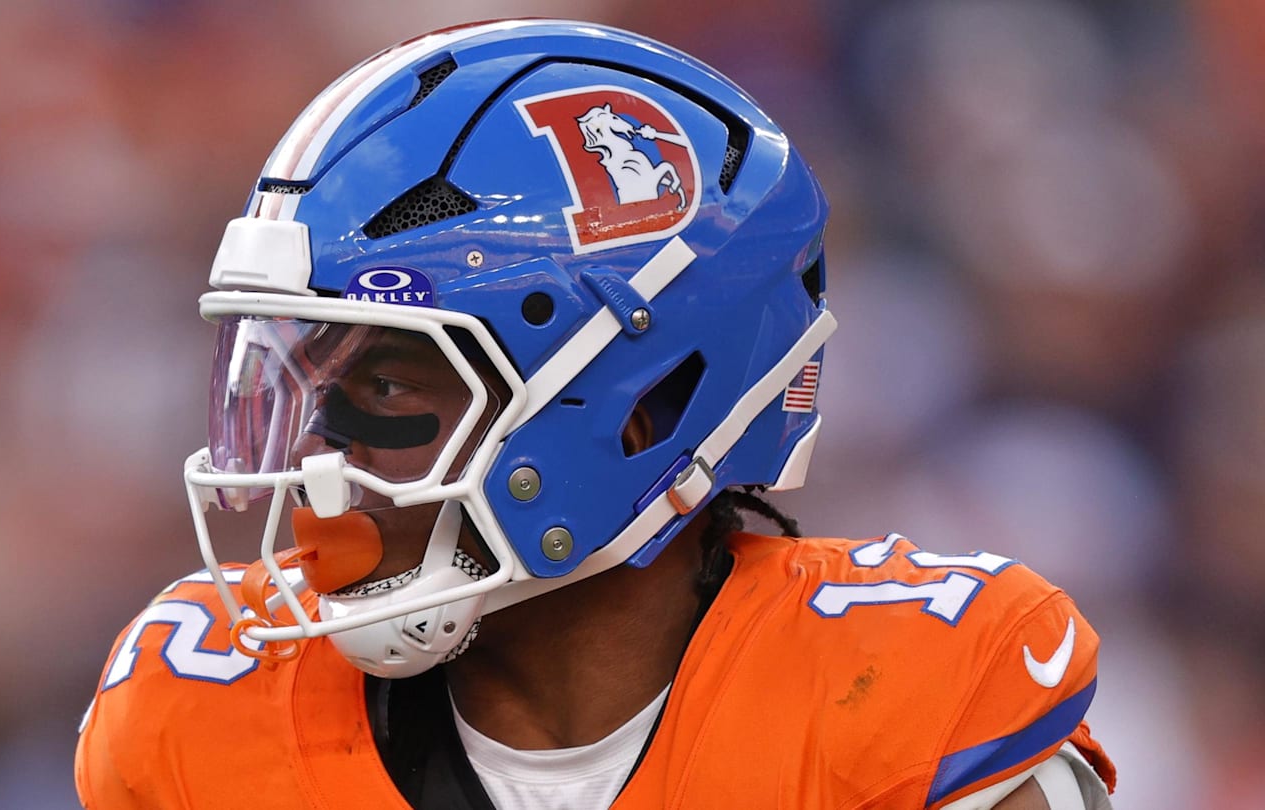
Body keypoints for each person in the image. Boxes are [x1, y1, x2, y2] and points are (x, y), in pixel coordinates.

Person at [75, 20, 1117, 809]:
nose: (311, 460)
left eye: (386, 387)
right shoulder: (204, 710)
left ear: (636, 408)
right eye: (300, 383)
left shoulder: (910, 695)